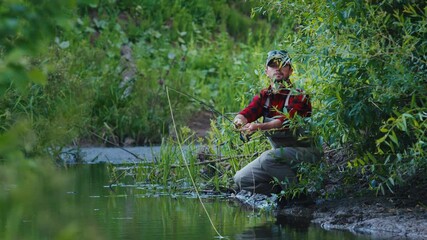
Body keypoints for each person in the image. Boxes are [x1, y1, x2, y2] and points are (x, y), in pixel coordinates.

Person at [233, 50, 321, 197]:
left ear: (290, 70)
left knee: (268, 158)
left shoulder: (300, 96)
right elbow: (245, 114)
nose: (278, 68)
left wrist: (258, 127)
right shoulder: (264, 96)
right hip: (279, 160)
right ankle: (282, 194)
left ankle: (299, 196)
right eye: (273, 65)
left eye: (283, 64)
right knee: (242, 179)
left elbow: (284, 122)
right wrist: (239, 124)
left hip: (307, 155)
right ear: (266, 71)